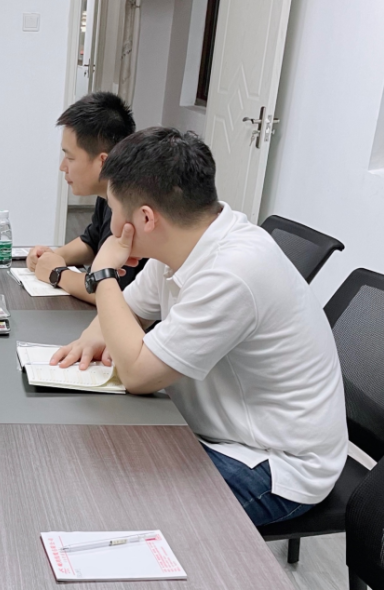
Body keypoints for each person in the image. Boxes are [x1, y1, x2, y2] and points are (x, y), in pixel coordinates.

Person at [51, 128, 347, 526]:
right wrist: (86, 344)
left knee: (114, 508)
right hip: (217, 428)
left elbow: (137, 375)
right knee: (92, 461)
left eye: (113, 208)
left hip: (273, 461)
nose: (111, 224)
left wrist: (103, 273)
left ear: (145, 219)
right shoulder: (181, 245)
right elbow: (127, 314)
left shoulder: (233, 272)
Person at [28, 91, 146, 304]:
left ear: (103, 162)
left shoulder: (133, 208)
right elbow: (91, 241)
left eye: (70, 157)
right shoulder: (109, 192)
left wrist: (57, 273)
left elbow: (112, 292)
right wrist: (51, 257)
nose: (62, 167)